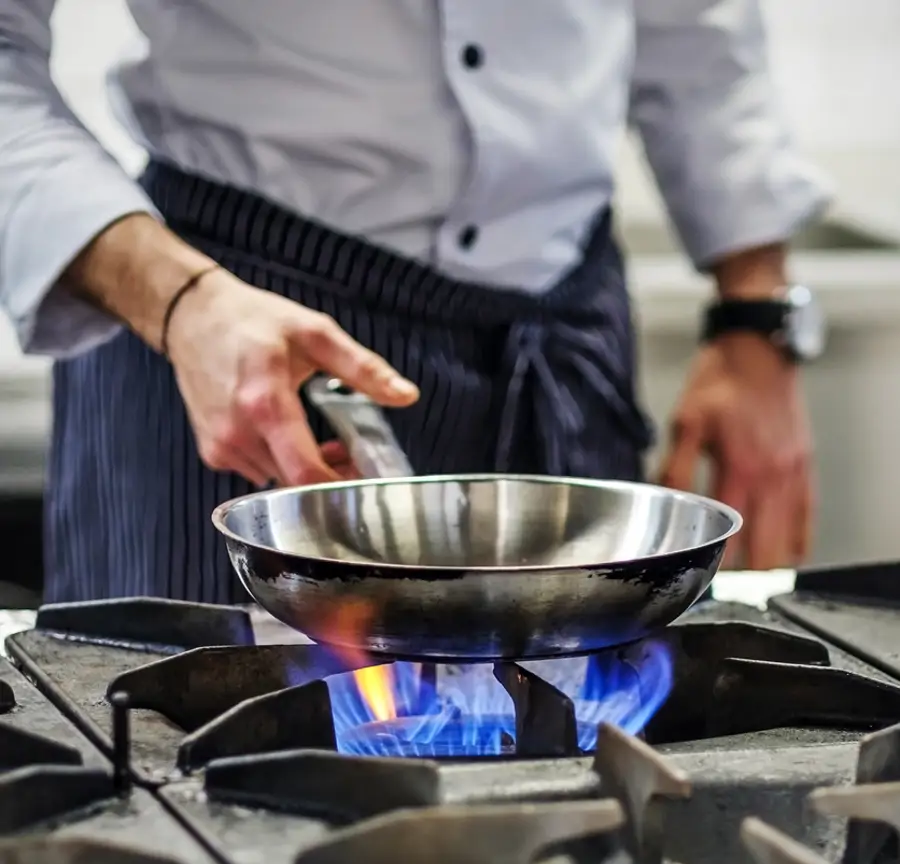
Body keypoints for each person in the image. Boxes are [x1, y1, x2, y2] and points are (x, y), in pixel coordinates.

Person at [0, 2, 830, 606]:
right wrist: (179, 298)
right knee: (180, 781)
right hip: (231, 327)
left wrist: (754, 313)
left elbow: (695, 22)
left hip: (560, 333)